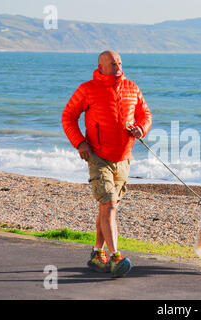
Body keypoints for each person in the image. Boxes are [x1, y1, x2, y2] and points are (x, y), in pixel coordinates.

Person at [62, 50, 152, 277]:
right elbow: (68, 116)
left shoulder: (132, 87)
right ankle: (115, 257)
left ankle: (96, 254)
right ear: (101, 67)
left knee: (107, 207)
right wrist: (80, 142)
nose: (118, 67)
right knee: (110, 204)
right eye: (113, 64)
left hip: (124, 157)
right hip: (97, 157)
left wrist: (141, 128)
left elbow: (145, 114)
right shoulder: (87, 89)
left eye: (119, 63)